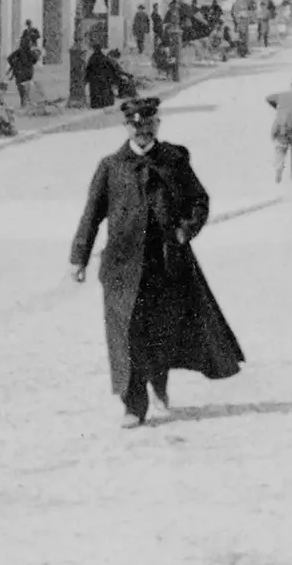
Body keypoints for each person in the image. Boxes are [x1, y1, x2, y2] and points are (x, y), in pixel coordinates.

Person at [70, 95, 244, 427]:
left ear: (157, 125)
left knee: (161, 331)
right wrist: (79, 257)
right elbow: (91, 215)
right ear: (126, 128)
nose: (142, 131)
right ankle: (133, 405)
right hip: (122, 267)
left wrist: (185, 231)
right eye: (136, 126)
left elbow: (199, 200)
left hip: (166, 264)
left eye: (148, 125)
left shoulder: (174, 160)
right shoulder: (111, 166)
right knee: (127, 333)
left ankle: (159, 384)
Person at [6, 33, 37, 108]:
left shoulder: (19, 51)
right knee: (27, 88)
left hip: (20, 73)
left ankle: (23, 102)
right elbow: (35, 60)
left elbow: (9, 58)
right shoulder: (30, 52)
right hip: (29, 73)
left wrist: (14, 64)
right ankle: (26, 103)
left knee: (21, 88)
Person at [84, 44, 118, 110]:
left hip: (94, 79)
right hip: (103, 78)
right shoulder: (104, 57)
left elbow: (88, 69)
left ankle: (96, 104)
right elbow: (110, 69)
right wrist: (111, 78)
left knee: (95, 92)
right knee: (103, 91)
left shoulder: (92, 58)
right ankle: (104, 103)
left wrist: (87, 78)